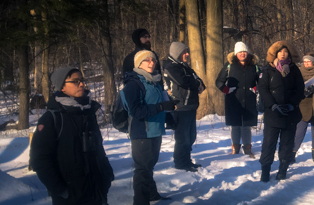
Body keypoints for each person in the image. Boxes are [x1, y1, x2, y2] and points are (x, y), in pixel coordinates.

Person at [30, 67, 115, 205]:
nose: (81, 84)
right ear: (62, 87)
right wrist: (60, 190)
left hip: (97, 191)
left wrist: (106, 174)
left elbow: (98, 148)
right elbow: (39, 159)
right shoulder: (52, 118)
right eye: (75, 81)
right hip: (70, 196)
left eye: (82, 80)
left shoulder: (88, 112)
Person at [123, 50, 177, 204]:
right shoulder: (134, 84)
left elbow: (158, 105)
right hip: (142, 132)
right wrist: (161, 107)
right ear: (139, 64)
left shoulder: (154, 81)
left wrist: (168, 117)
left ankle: (152, 194)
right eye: (147, 60)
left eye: (153, 60)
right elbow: (137, 111)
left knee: (149, 167)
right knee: (142, 170)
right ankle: (140, 201)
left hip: (155, 130)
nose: (151, 63)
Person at [258, 40, 304, 182]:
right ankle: (265, 170)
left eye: (286, 52)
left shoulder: (294, 69)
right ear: (275, 54)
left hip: (290, 113)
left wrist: (292, 104)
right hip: (273, 114)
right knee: (269, 143)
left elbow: (300, 89)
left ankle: (283, 169)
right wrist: (273, 105)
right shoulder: (268, 70)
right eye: (280, 51)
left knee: (287, 143)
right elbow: (263, 89)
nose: (283, 54)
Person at [162, 42, 205, 172]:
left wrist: (199, 84)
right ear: (177, 53)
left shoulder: (185, 67)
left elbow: (199, 80)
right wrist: (196, 83)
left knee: (191, 136)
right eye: (184, 52)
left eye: (188, 52)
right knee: (183, 138)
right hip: (180, 107)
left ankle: (187, 160)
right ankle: (180, 163)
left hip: (191, 106)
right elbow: (183, 82)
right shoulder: (171, 67)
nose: (187, 55)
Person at [216, 42, 260, 157]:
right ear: (236, 53)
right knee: (235, 125)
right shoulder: (229, 65)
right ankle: (235, 148)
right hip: (233, 100)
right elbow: (219, 81)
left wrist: (256, 88)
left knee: (246, 125)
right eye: (240, 52)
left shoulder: (254, 66)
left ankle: (247, 148)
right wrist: (226, 89)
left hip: (249, 99)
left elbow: (262, 81)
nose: (242, 54)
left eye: (244, 51)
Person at [293, 53, 314, 163]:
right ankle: (293, 153)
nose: (306, 63)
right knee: (299, 132)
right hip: (303, 106)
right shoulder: (298, 73)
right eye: (304, 61)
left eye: (308, 61)